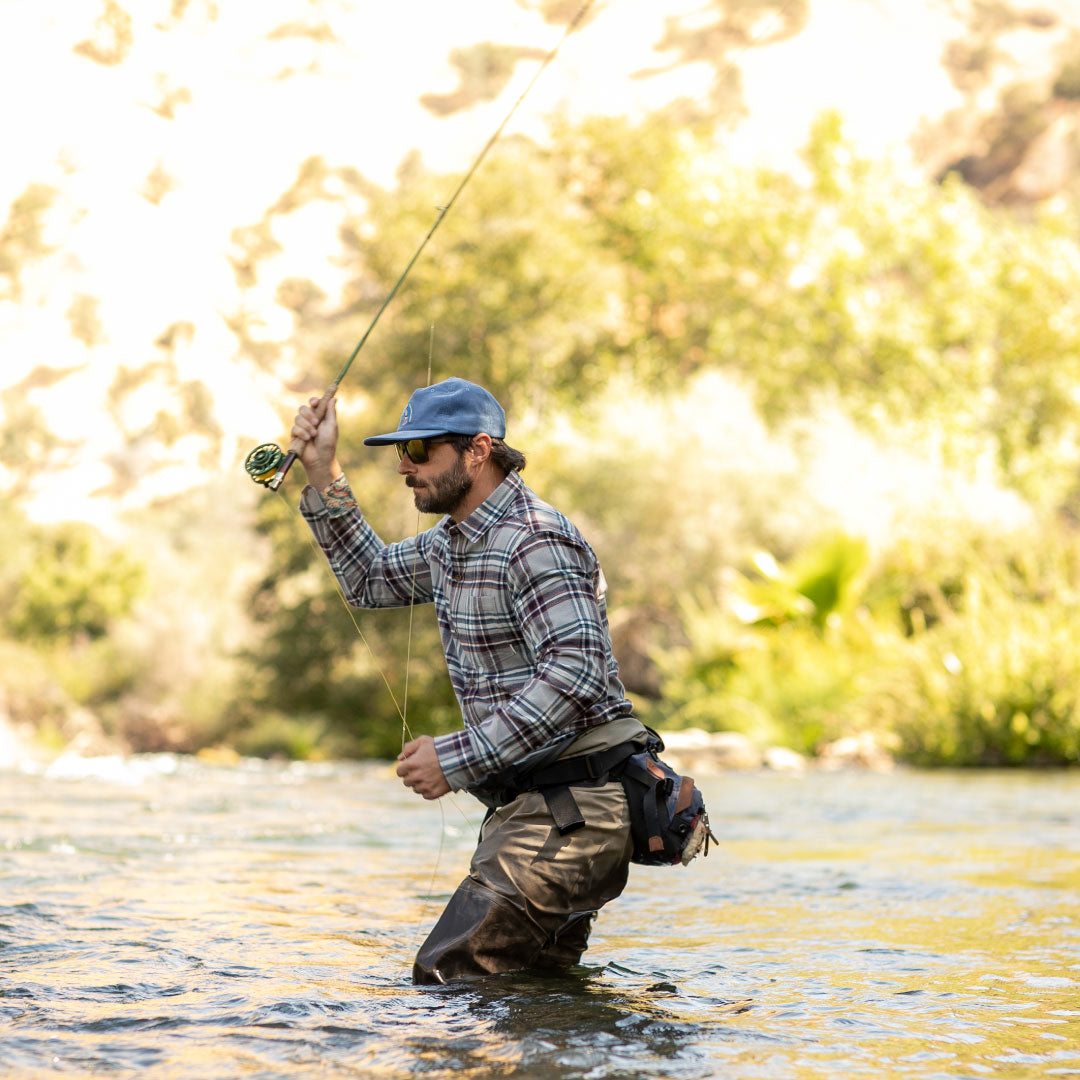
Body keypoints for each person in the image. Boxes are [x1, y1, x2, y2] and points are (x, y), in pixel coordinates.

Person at [291, 376, 649, 984]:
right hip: (535, 815)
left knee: (447, 976)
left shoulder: (536, 539)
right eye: (400, 453)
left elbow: (577, 672)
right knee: (532, 998)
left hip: (576, 809)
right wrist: (323, 470)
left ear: (478, 450)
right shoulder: (451, 543)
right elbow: (370, 578)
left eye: (420, 451)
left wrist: (454, 759)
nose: (404, 467)